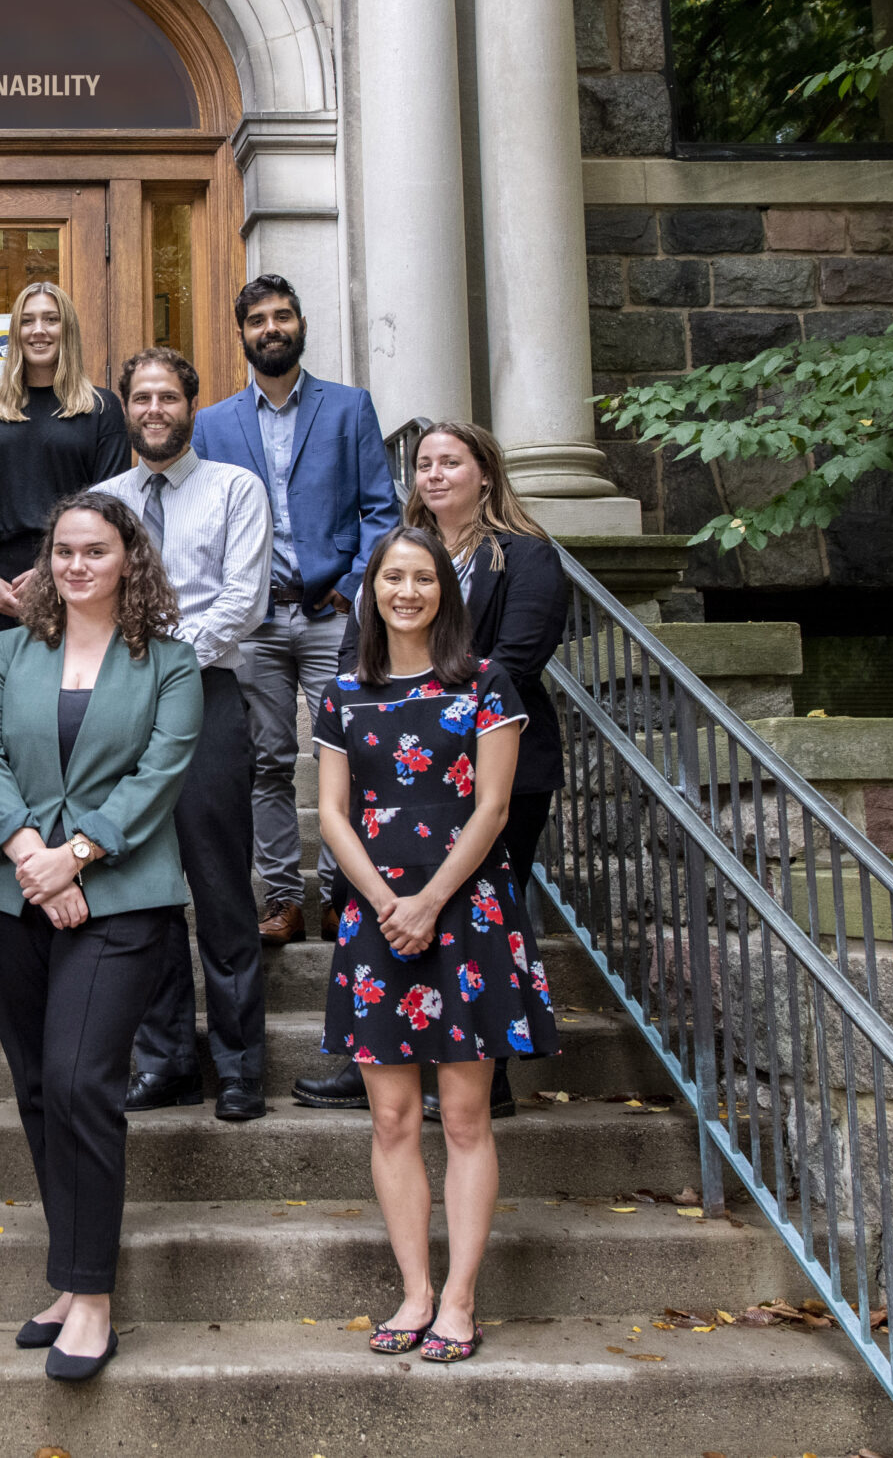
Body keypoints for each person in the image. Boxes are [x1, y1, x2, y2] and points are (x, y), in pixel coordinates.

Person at [0, 491, 201, 1383]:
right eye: (62, 550)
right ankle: (65, 1273)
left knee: (80, 1078)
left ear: (129, 558)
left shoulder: (169, 664)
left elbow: (159, 773)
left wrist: (78, 859)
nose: (75, 566)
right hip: (7, 889)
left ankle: (94, 1294)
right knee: (34, 1084)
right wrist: (34, 855)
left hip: (124, 896)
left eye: (94, 551)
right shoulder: (7, 655)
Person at [314, 524, 557, 1366]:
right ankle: (414, 1290)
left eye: (422, 577)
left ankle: (460, 1299)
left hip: (467, 914)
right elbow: (333, 813)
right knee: (388, 1117)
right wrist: (387, 901)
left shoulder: (486, 682)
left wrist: (429, 899)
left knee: (461, 1115)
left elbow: (493, 808)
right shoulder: (343, 691)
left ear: (443, 591)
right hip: (378, 918)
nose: (407, 591)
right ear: (372, 592)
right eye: (392, 578)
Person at [294, 421, 572, 1119]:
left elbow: (518, 655)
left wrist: (436, 712)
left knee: (474, 918)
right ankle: (385, 1060)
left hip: (494, 764)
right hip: (396, 770)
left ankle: (486, 1073)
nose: (435, 474)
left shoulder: (525, 557)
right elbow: (364, 650)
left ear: (486, 472)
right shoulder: (398, 557)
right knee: (396, 919)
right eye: (423, 464)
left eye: (452, 461)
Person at [190, 274, 399, 945]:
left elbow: (380, 509)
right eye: (258, 319)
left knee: (350, 754)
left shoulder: (348, 408)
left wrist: (358, 581)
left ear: (301, 324)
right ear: (243, 332)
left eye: (282, 315)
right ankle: (283, 899)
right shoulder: (213, 425)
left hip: (333, 615)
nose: (271, 327)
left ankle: (344, 893)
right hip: (254, 620)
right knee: (268, 761)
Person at [95, 347, 273, 1121]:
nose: (155, 409)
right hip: (122, 711)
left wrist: (166, 661)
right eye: (142, 397)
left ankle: (239, 1067)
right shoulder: (103, 501)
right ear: (126, 408)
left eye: (168, 395)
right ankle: (164, 1059)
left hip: (204, 699)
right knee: (141, 888)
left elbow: (245, 600)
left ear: (192, 404)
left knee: (220, 887)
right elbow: (90, 591)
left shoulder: (236, 489)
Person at [0, 280, 129, 666]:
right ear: (15, 333)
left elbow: (111, 504)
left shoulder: (101, 409)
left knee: (71, 706)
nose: (39, 330)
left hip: (76, 576)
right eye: (27, 321)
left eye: (51, 319)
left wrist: (52, 570)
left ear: (68, 330)